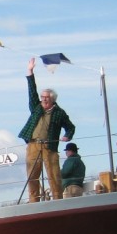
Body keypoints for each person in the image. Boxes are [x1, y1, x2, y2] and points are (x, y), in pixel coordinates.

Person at [17, 57, 75, 201]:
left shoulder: (59, 113)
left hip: (50, 146)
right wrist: (30, 71)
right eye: (42, 97)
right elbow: (32, 92)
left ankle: (57, 200)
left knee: (54, 175)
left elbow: (70, 127)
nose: (43, 99)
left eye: (46, 98)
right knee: (32, 175)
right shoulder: (36, 108)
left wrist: (67, 135)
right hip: (33, 144)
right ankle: (33, 201)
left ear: (52, 99)